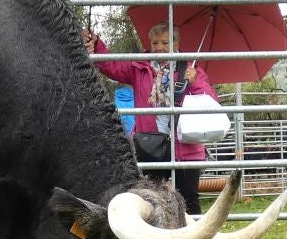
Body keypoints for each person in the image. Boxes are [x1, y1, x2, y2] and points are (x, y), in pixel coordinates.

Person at [88, 23, 219, 222]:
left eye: (166, 42)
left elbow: (210, 101)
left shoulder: (191, 69)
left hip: (186, 147)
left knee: (189, 197)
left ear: (177, 43)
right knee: (150, 195)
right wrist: (97, 46)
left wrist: (195, 82)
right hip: (149, 145)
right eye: (155, 42)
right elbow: (111, 66)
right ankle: (156, 238)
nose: (159, 47)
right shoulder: (139, 67)